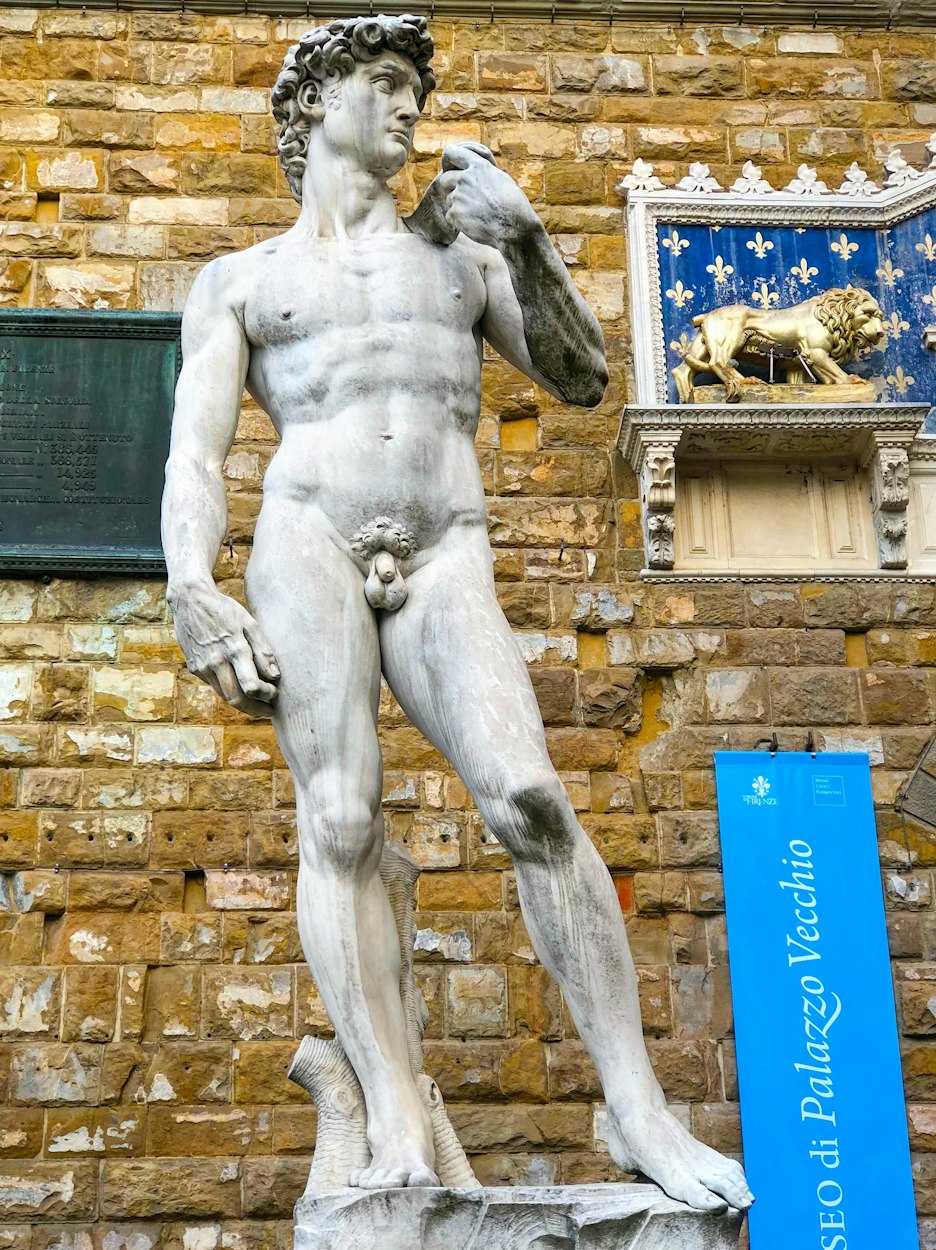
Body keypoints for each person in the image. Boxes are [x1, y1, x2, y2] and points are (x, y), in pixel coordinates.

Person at [161, 13, 753, 1213]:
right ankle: (392, 1121)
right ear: (319, 101)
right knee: (338, 818)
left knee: (530, 798)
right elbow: (196, 453)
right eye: (385, 86)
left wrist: (530, 237)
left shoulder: (463, 257)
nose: (410, 110)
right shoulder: (242, 281)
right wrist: (190, 582)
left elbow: (582, 377)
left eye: (414, 91)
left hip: (445, 544)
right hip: (309, 534)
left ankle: (636, 1111)